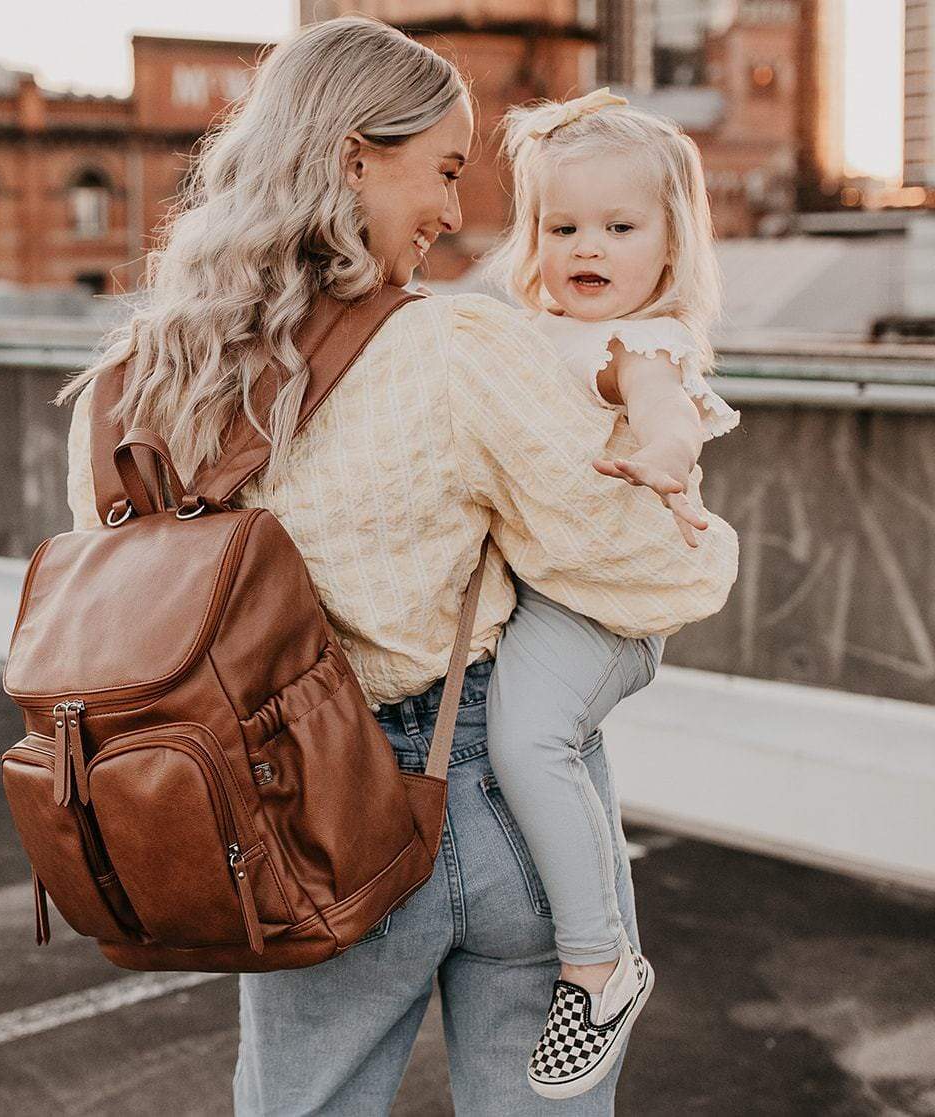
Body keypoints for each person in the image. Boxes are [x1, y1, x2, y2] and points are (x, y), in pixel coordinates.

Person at [57, 16, 738, 1114]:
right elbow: (659, 577)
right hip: (504, 799)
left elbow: (121, 614)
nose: (457, 213)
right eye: (445, 170)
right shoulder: (454, 345)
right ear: (352, 156)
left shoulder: (128, 388)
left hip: (288, 821)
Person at [476, 88, 741, 1099]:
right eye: (561, 225)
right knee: (557, 751)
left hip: (603, 609)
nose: (586, 247)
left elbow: (660, 407)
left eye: (619, 227)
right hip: (562, 595)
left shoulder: (641, 342)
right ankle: (598, 945)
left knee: (527, 742)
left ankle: (598, 964)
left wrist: (665, 461)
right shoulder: (537, 332)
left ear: (670, 247)